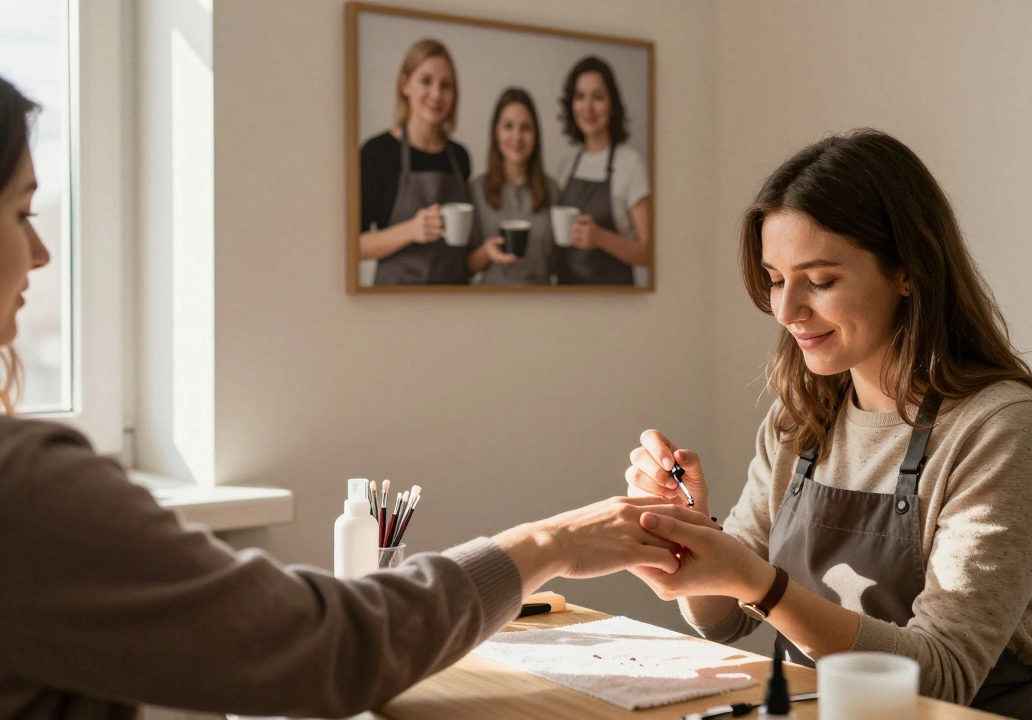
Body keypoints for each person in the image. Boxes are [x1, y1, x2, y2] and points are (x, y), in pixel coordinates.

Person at [0, 76, 714, 720]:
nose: (42, 253)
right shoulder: (25, 489)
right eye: (23, 214)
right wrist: (547, 542)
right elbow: (320, 646)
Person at [623, 130, 1032, 719]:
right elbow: (725, 619)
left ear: (908, 270)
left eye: (821, 281)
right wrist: (690, 545)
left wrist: (760, 583)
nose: (786, 312)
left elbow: (941, 678)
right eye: (776, 279)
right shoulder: (802, 416)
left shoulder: (1002, 428)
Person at [359, 39, 473, 285]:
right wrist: (411, 231)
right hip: (396, 306)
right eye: (426, 81)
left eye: (446, 86)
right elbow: (352, 246)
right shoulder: (377, 153)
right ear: (404, 85)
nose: (436, 94)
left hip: (455, 302)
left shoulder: (460, 157)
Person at [555, 56, 652, 285]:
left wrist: (600, 238)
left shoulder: (631, 163)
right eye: (580, 97)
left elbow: (648, 253)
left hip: (614, 302)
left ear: (612, 105)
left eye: (597, 97)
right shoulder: (567, 164)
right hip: (566, 299)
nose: (588, 107)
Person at [466, 88, 558, 285]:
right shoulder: (476, 190)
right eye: (508, 126)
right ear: (496, 132)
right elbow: (466, 266)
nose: (517, 137)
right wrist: (486, 253)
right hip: (491, 304)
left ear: (536, 135)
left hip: (542, 304)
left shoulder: (553, 191)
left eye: (525, 128)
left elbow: (562, 263)